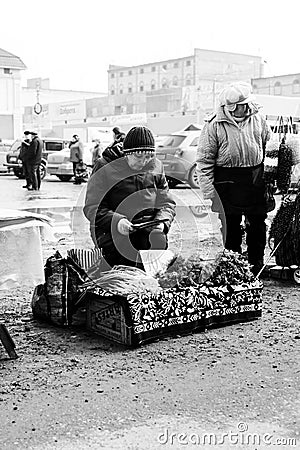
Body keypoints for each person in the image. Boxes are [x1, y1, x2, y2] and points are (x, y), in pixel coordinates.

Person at [196, 81, 271, 275]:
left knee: (257, 223)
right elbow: (204, 161)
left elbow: (269, 147)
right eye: (242, 105)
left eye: (247, 103)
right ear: (230, 107)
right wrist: (209, 192)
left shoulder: (258, 119)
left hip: (255, 180)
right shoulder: (214, 125)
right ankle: (235, 266)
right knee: (230, 226)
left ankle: (256, 265)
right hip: (227, 182)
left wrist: (272, 179)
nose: (247, 107)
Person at [84, 126, 176, 268]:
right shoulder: (104, 166)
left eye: (148, 156)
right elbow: (92, 207)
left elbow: (166, 203)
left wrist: (161, 223)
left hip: (148, 228)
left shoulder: (157, 166)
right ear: (126, 153)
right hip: (112, 231)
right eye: (138, 156)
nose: (143, 161)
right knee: (124, 271)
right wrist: (117, 222)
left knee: (155, 265)